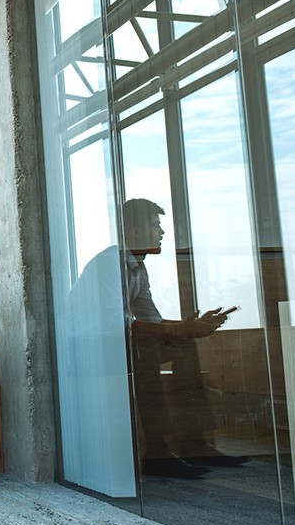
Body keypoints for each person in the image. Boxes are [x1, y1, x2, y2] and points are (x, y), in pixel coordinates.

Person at [74, 198, 245, 478]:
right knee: (147, 346)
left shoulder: (138, 268)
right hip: (85, 347)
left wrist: (192, 326)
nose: (162, 232)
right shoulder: (107, 264)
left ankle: (194, 443)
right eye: (155, 225)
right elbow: (119, 326)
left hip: (114, 342)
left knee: (182, 342)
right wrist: (180, 329)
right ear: (134, 230)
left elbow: (151, 320)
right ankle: (156, 451)